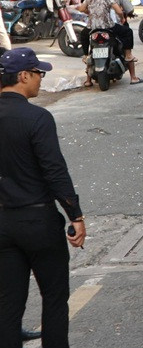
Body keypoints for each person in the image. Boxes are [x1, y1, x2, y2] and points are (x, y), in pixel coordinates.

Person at [0, 47, 86, 348]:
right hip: (39, 222)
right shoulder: (37, 118)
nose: (40, 79)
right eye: (38, 73)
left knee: (7, 308)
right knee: (54, 299)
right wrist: (75, 215)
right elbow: (54, 172)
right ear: (23, 76)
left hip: (3, 224)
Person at [76, 0, 126, 87]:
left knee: (86, 42)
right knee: (126, 33)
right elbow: (118, 11)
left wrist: (90, 13)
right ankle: (128, 55)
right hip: (107, 27)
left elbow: (81, 9)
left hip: (92, 28)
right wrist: (122, 18)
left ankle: (85, 57)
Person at [104, 0, 143, 85]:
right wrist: (123, 15)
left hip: (95, 26)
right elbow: (128, 10)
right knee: (128, 32)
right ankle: (132, 74)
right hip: (112, 25)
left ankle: (87, 79)